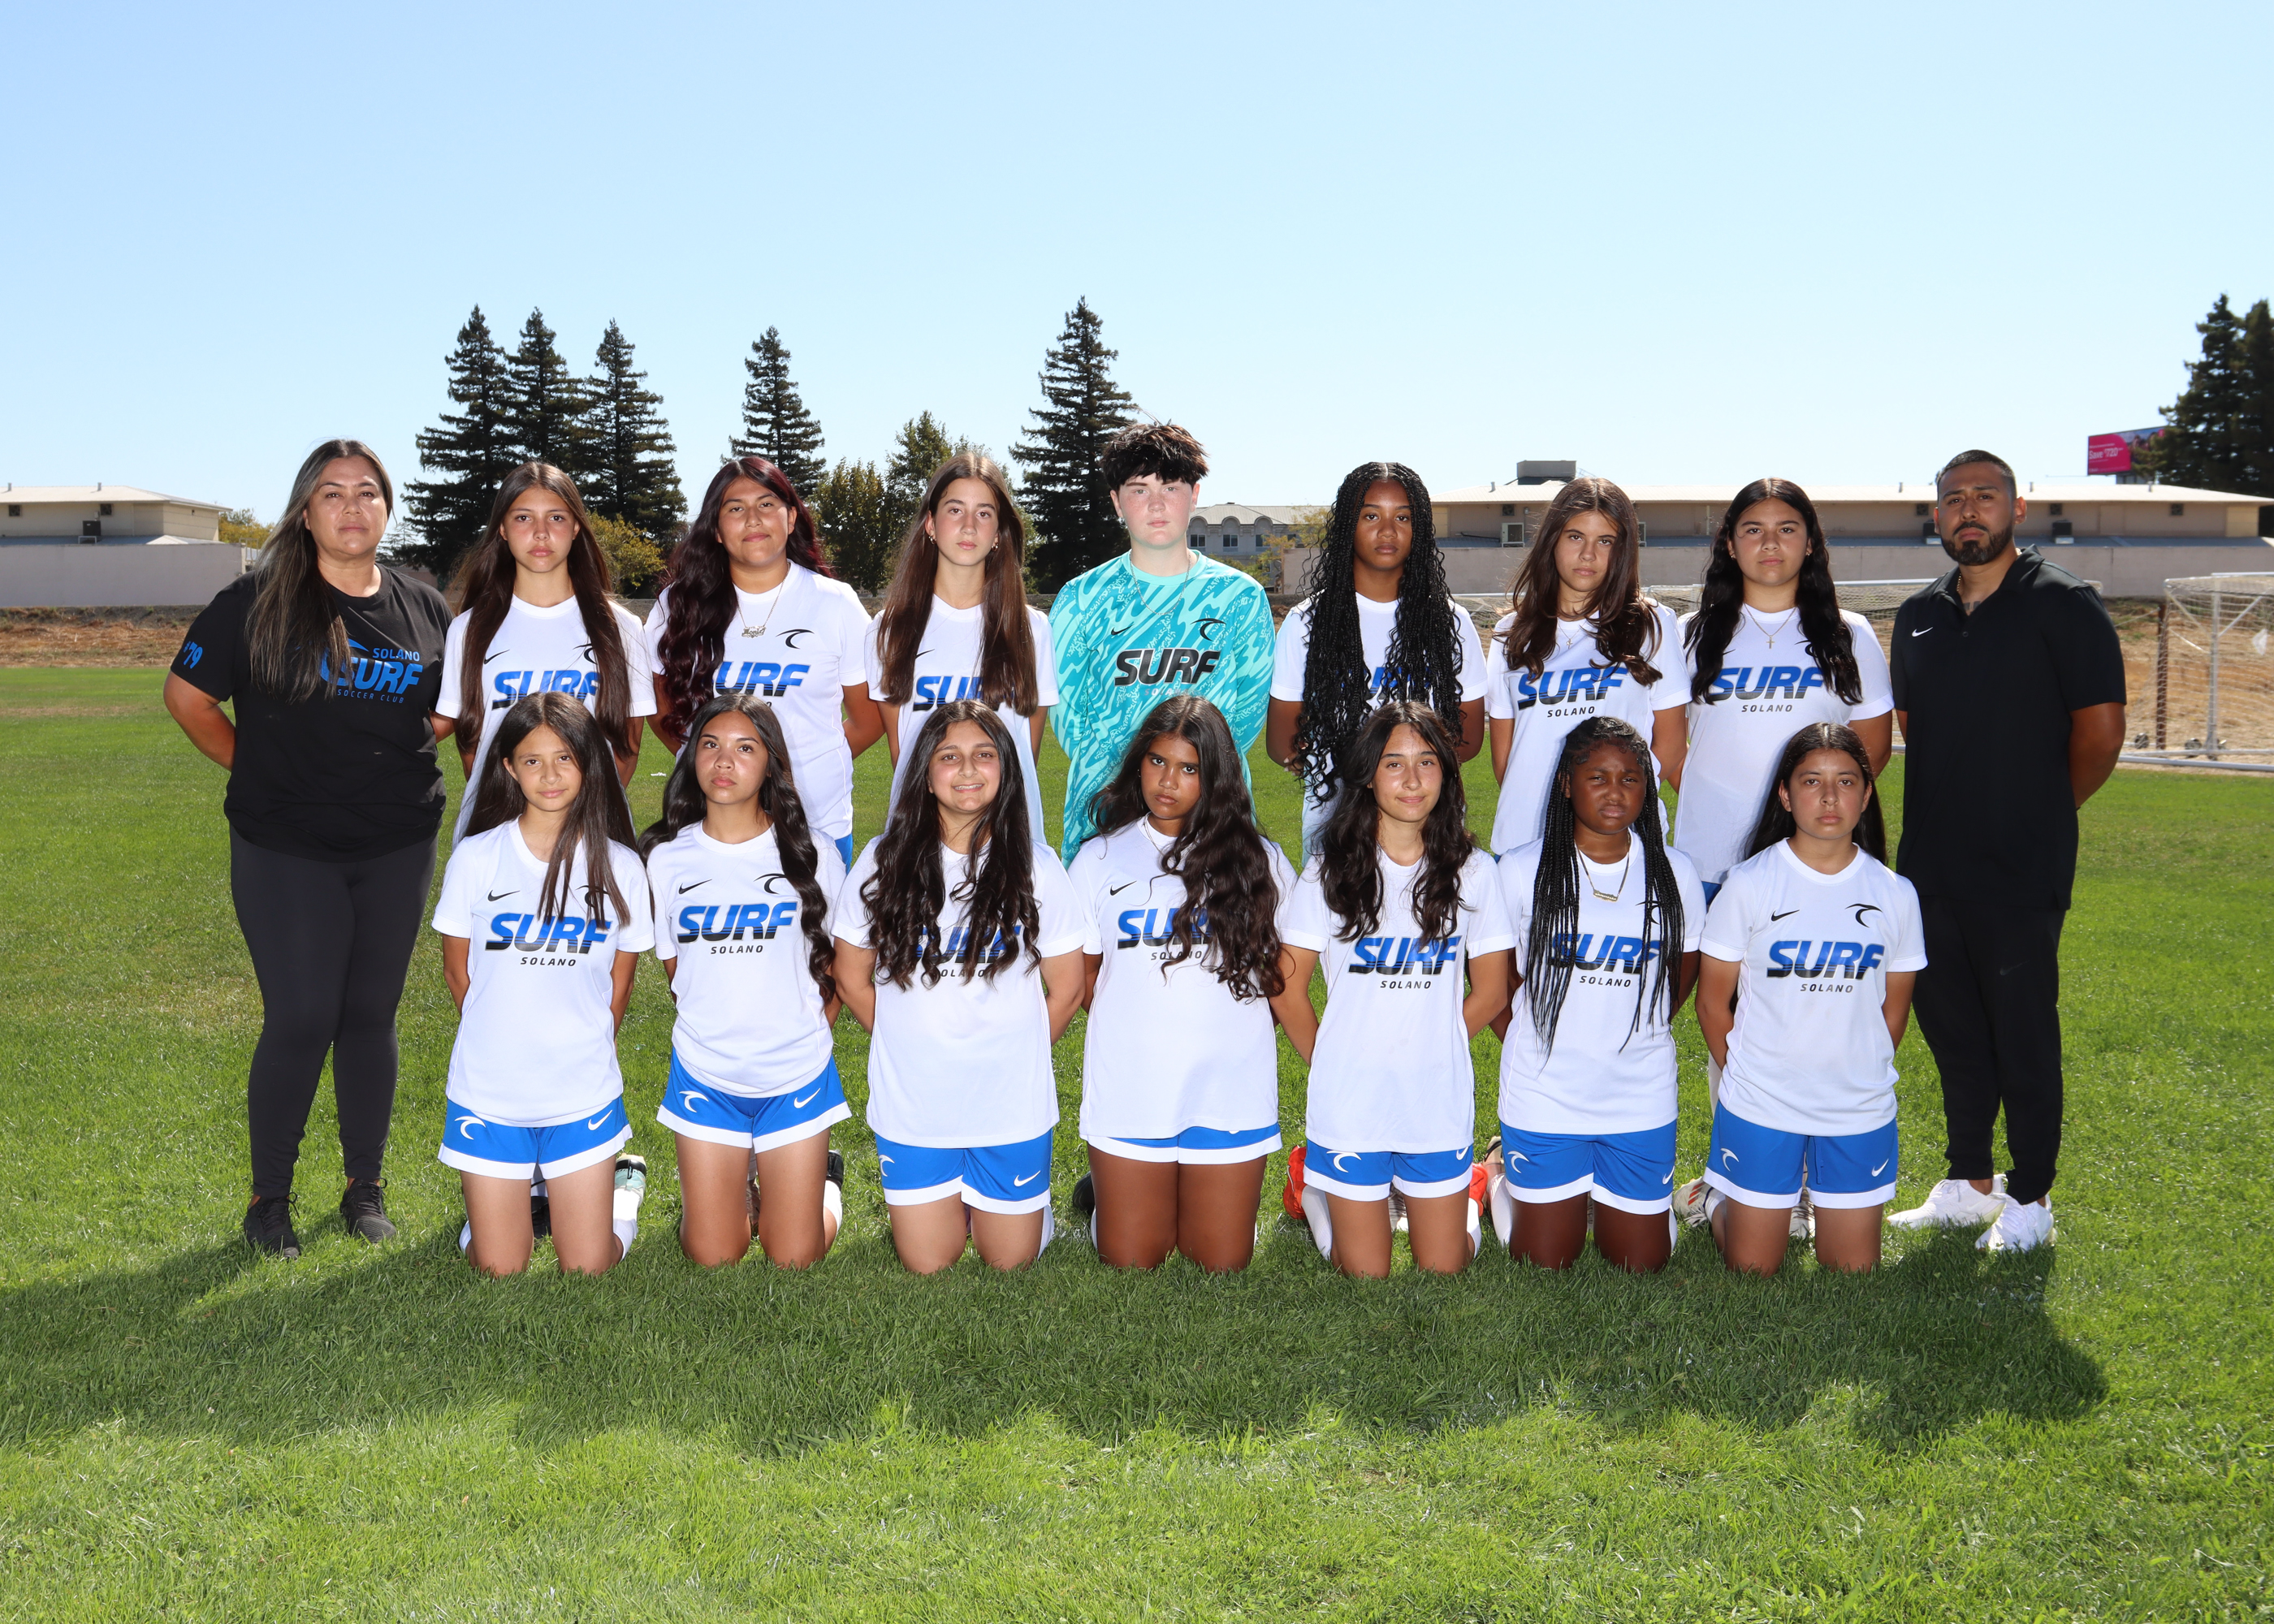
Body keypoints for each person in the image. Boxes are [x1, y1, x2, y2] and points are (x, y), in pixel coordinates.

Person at [164, 439, 452, 1258]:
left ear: (387, 509)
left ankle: (365, 1187)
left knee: (370, 1013)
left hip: (397, 840)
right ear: (304, 510)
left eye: (368, 492)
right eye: (332, 493)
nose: (352, 507)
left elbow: (447, 709)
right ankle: (269, 1199)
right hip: (285, 843)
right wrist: (259, 767)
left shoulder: (426, 606)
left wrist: (384, 761)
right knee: (301, 1015)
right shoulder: (253, 601)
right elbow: (186, 697)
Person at [1885, 450, 2125, 1253]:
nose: (1968, 510)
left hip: (2021, 866)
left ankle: (2031, 1196)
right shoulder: (1917, 615)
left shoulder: (2064, 603)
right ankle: (1968, 1181)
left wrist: (2041, 809)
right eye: (1953, 498)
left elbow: (2100, 735)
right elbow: (1916, 730)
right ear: (1936, 515)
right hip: (1931, 867)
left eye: (1984, 496)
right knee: (1952, 1030)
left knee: (2021, 1034)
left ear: (2016, 509)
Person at [832, 701, 1091, 1273]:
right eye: (949, 756)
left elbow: (1069, 989)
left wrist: (1014, 1050)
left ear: (1006, 771)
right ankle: (963, 1204)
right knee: (929, 1262)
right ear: (925, 773)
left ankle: (1027, 1211)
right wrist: (906, 1039)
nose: (968, 769)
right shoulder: (882, 861)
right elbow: (849, 977)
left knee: (1010, 1262)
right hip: (915, 1104)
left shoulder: (1037, 866)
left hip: (1010, 1104)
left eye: (984, 755)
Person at [1066, 696, 1308, 1271]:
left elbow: (1285, 978)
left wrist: (1226, 1029)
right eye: (1157, 761)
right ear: (1139, 765)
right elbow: (1086, 977)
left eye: (1189, 768)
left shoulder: (1262, 862)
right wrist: (1143, 1023)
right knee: (1132, 1260)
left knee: (1220, 1262)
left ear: (1215, 776)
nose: (1168, 781)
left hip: (1228, 1090)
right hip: (1133, 1088)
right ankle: (1109, 1196)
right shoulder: (1099, 859)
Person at [1277, 702, 1514, 1278]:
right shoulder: (1328, 871)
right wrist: (1330, 1058)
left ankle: (1476, 1186)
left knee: (1444, 1267)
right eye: (1393, 764)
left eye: (1427, 762)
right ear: (1368, 775)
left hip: (1434, 1097)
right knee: (1365, 1272)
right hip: (1352, 1102)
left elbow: (1492, 991)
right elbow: (1286, 986)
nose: (1411, 780)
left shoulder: (1475, 871)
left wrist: (1435, 1043)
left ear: (1446, 774)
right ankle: (1312, 1188)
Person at [1680, 723, 1925, 1275]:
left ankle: (1805, 1196)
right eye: (1812, 781)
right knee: (1754, 1268)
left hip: (1856, 1107)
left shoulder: (1895, 894)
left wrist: (1855, 1072)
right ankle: (1715, 1200)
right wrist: (1747, 1077)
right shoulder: (1748, 883)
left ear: (1867, 793)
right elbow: (1712, 1003)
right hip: (1762, 1104)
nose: (1830, 797)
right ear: (1786, 796)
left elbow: (1894, 1009)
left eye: (1846, 781)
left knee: (1851, 1272)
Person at [431, 693, 654, 1276]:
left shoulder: (621, 866)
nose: (550, 776)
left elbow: (620, 984)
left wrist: (579, 1044)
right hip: (490, 1089)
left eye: (564, 759)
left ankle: (621, 1194)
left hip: (580, 1088)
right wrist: (502, 1038)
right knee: (499, 1267)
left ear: (587, 764)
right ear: (508, 767)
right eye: (532, 760)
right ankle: (508, 1204)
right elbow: (457, 971)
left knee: (587, 1266)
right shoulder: (476, 858)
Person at [1486, 716, 1701, 1272]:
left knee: (1640, 1262)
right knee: (1545, 1259)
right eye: (1597, 777)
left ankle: (1617, 1199)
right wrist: (1535, 1035)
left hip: (1638, 1093)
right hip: (1545, 1093)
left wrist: (1632, 1026)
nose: (1615, 792)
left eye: (1630, 778)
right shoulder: (1520, 871)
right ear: (1566, 783)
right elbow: (1495, 978)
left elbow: (1681, 973)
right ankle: (1496, 1176)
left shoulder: (1675, 873)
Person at [642, 694, 849, 1268]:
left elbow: (838, 968)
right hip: (706, 1074)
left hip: (796, 1073)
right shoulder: (665, 859)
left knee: (795, 1256)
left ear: (771, 763)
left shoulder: (813, 853)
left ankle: (825, 1185)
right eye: (710, 745)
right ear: (692, 758)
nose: (724, 761)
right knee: (713, 1254)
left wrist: (806, 1034)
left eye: (745, 748)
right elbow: (678, 972)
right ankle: (733, 1193)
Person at [1047, 422, 1275, 860]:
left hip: (1210, 817)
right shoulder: (1081, 598)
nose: (1156, 504)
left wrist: (1190, 772)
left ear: (1194, 495)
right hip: (1104, 815)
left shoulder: (1239, 597)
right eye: (1139, 490)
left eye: (1170, 488)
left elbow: (1247, 715)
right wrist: (1130, 777)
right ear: (1117, 502)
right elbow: (1068, 716)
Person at [646, 456, 883, 866]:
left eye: (767, 504)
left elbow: (868, 720)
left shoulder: (835, 603)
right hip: (713, 822)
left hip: (816, 822)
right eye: (735, 508)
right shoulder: (678, 604)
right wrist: (713, 762)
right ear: (716, 529)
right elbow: (660, 707)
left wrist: (799, 766)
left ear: (790, 519)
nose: (753, 519)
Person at [1673, 478, 1893, 901]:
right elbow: (1668, 745)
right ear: (1731, 545)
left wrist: (1810, 809)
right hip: (1708, 861)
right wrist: (1717, 799)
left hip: (1810, 857)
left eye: (1787, 529)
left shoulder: (1850, 634)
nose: (1770, 543)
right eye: (1753, 529)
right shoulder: (1688, 635)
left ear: (1810, 542)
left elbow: (1873, 748)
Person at [1267, 462, 1485, 854]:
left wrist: (1404, 777)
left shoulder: (1451, 621)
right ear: (1348, 526)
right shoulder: (1306, 622)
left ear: (1420, 529)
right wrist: (1358, 775)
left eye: (1403, 517)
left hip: (1429, 831)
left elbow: (1467, 742)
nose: (1388, 531)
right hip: (1336, 835)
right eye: (1371, 516)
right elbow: (1282, 745)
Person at [434, 463, 653, 840]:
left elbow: (626, 747)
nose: (540, 532)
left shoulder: (621, 628)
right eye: (523, 517)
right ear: (502, 529)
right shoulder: (469, 629)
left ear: (576, 527)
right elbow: (472, 747)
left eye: (556, 517)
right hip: (495, 830)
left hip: (592, 830)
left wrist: (580, 814)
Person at [1484, 477, 1687, 856]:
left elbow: (1671, 745)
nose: (1588, 554)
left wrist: (1618, 802)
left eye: (1605, 541)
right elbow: (1505, 759)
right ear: (1552, 541)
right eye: (1575, 537)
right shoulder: (1511, 632)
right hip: (1527, 842)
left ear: (1623, 550)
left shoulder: (1652, 624)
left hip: (1622, 839)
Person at [865, 452, 1058, 837]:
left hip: (1008, 834)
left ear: (999, 532)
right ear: (931, 524)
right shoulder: (889, 630)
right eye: (955, 510)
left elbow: (1025, 753)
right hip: (922, 834)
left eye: (984, 513)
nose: (969, 526)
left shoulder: (1031, 628)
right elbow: (903, 756)